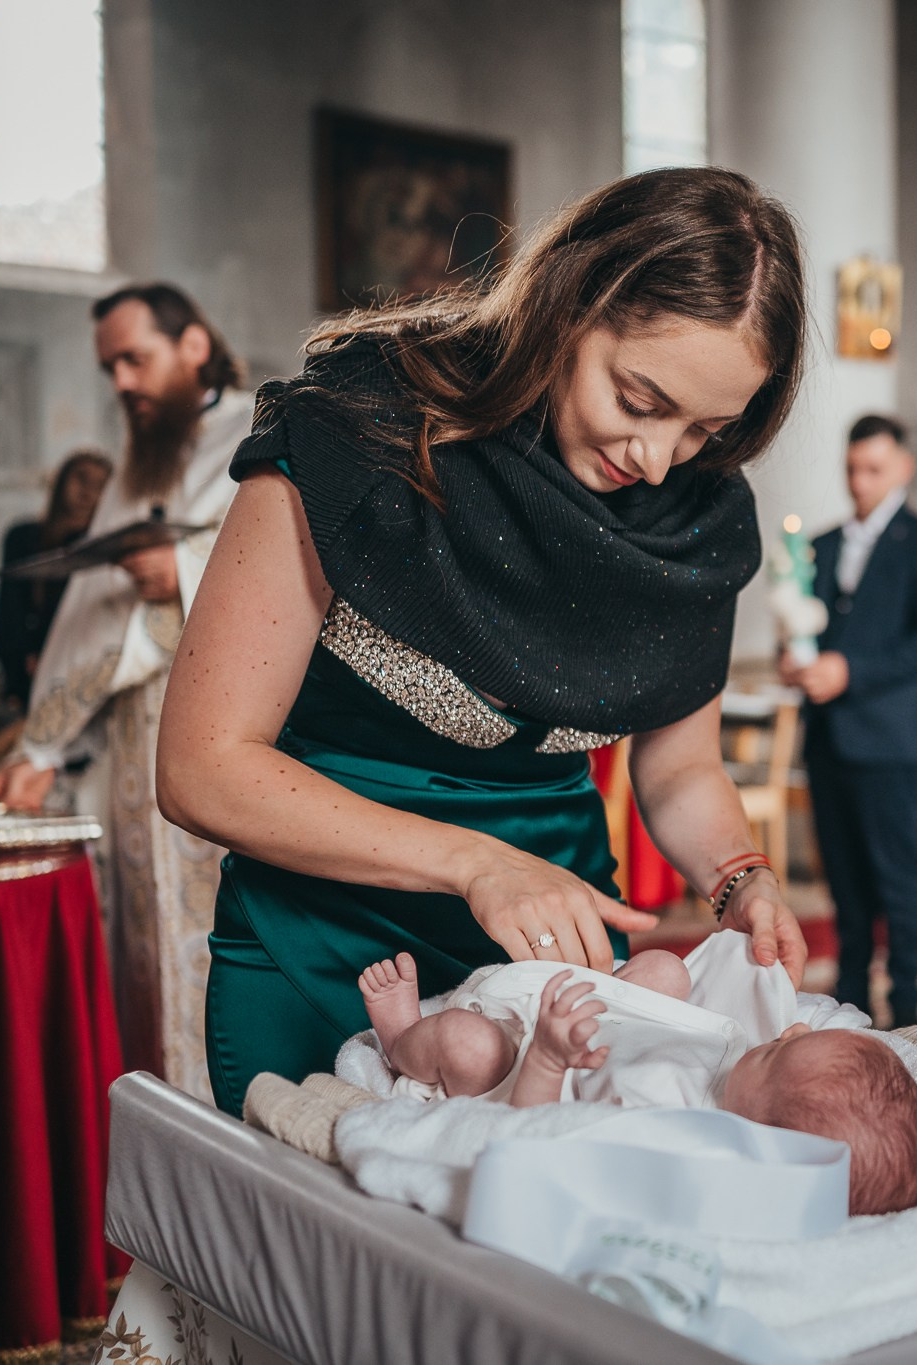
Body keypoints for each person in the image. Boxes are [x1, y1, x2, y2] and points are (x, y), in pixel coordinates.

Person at [153, 168, 812, 1117]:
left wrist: (740, 878)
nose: (658, 458)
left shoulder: (697, 515)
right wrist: (477, 863)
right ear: (570, 303)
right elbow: (201, 768)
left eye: (705, 429)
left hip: (558, 963)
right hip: (330, 944)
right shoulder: (365, 427)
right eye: (639, 397)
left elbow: (679, 772)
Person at [0, 282, 253, 1099]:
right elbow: (87, 618)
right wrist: (40, 747)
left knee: (219, 956)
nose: (123, 383)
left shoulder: (266, 428)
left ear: (192, 345)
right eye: (110, 369)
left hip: (236, 731)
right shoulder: (141, 465)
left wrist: (186, 570)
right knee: (144, 958)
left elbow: (315, 571)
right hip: (139, 759)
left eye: (135, 359)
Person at [357, 943, 917, 1215]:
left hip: (524, 1070)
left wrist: (547, 1059)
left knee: (464, 1042)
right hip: (597, 1018)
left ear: (751, 1136)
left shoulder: (661, 1133)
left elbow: (537, 1133)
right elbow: (683, 1027)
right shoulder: (744, 1080)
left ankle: (402, 1039)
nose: (785, 1035)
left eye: (774, 1057)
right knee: (664, 969)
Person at [785, 414, 917, 1027]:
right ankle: (852, 992)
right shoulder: (825, 544)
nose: (860, 482)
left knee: (895, 873)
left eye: (874, 470)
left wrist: (849, 671)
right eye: (852, 468)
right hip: (829, 735)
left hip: (890, 737)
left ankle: (908, 997)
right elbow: (811, 627)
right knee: (843, 875)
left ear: (904, 467)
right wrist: (799, 660)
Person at [0, 449, 113, 707]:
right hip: (30, 672)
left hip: (84, 671)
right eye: (81, 478)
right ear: (61, 481)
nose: (88, 491)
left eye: (100, 485)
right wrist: (19, 661)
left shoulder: (107, 547)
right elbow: (9, 610)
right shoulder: (23, 537)